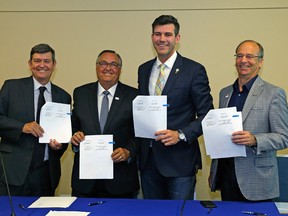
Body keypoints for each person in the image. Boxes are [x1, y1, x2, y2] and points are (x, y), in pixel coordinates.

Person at [137, 15, 214, 200]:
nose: (162, 39)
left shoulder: (194, 70)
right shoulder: (144, 69)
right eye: (157, 34)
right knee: (152, 213)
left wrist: (179, 134)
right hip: (148, 160)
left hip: (180, 161)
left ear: (177, 39)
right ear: (152, 37)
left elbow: (208, 115)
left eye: (167, 34)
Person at [209, 40, 288, 201]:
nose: (243, 60)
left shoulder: (274, 93)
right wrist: (214, 171)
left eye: (250, 56)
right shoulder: (225, 93)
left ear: (260, 62)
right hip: (226, 176)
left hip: (257, 181)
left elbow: (284, 137)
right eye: (239, 55)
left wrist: (255, 139)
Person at [0, 43, 71, 196]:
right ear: (30, 64)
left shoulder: (63, 96)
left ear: (54, 65)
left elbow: (64, 136)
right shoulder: (11, 87)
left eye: (47, 61)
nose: (42, 65)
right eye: (37, 60)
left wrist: (58, 146)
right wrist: (22, 127)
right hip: (13, 171)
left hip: (46, 174)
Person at [71, 50, 139, 198]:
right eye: (103, 63)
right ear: (96, 67)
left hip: (121, 179)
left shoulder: (134, 96)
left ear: (120, 69)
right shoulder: (80, 93)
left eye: (114, 64)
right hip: (85, 180)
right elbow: (73, 126)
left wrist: (128, 151)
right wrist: (74, 137)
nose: (108, 68)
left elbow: (139, 133)